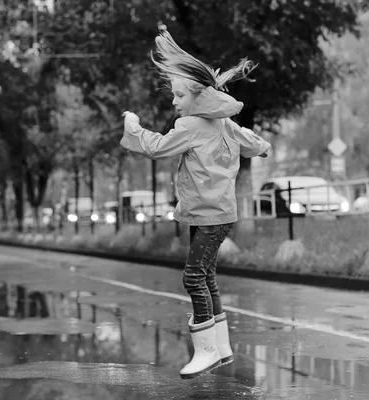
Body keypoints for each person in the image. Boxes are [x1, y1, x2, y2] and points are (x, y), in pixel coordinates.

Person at [120, 30, 271, 379]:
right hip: (217, 215)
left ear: (198, 97)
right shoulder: (222, 123)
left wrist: (133, 126)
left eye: (178, 95)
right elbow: (249, 141)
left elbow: (156, 148)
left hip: (209, 215)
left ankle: (206, 351)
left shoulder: (190, 126)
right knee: (208, 277)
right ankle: (221, 346)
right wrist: (262, 146)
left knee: (193, 277)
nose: (173, 102)